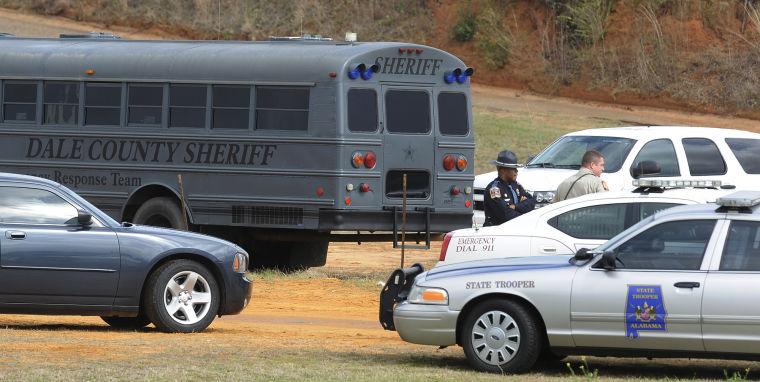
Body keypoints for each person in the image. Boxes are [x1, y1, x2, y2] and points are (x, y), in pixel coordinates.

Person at [483, 150, 536, 227]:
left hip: (514, 229)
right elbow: (505, 214)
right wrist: (525, 216)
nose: (517, 171)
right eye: (513, 169)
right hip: (497, 231)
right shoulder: (494, 189)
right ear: (503, 171)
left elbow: (531, 203)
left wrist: (515, 206)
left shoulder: (516, 186)